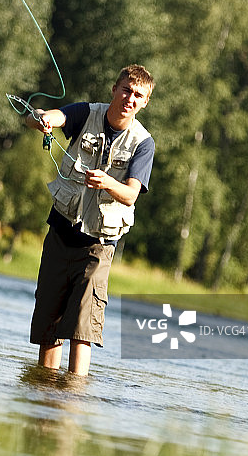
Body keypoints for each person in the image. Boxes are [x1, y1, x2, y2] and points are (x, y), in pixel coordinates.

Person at [25, 64, 155, 376]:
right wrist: (42, 120)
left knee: (82, 330)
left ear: (145, 102)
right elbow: (53, 117)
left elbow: (131, 194)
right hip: (60, 232)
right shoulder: (86, 113)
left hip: (97, 248)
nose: (130, 98)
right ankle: (43, 395)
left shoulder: (143, 143)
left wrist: (108, 182)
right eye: (126, 90)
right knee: (50, 325)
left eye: (138, 95)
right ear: (114, 89)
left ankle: (73, 398)